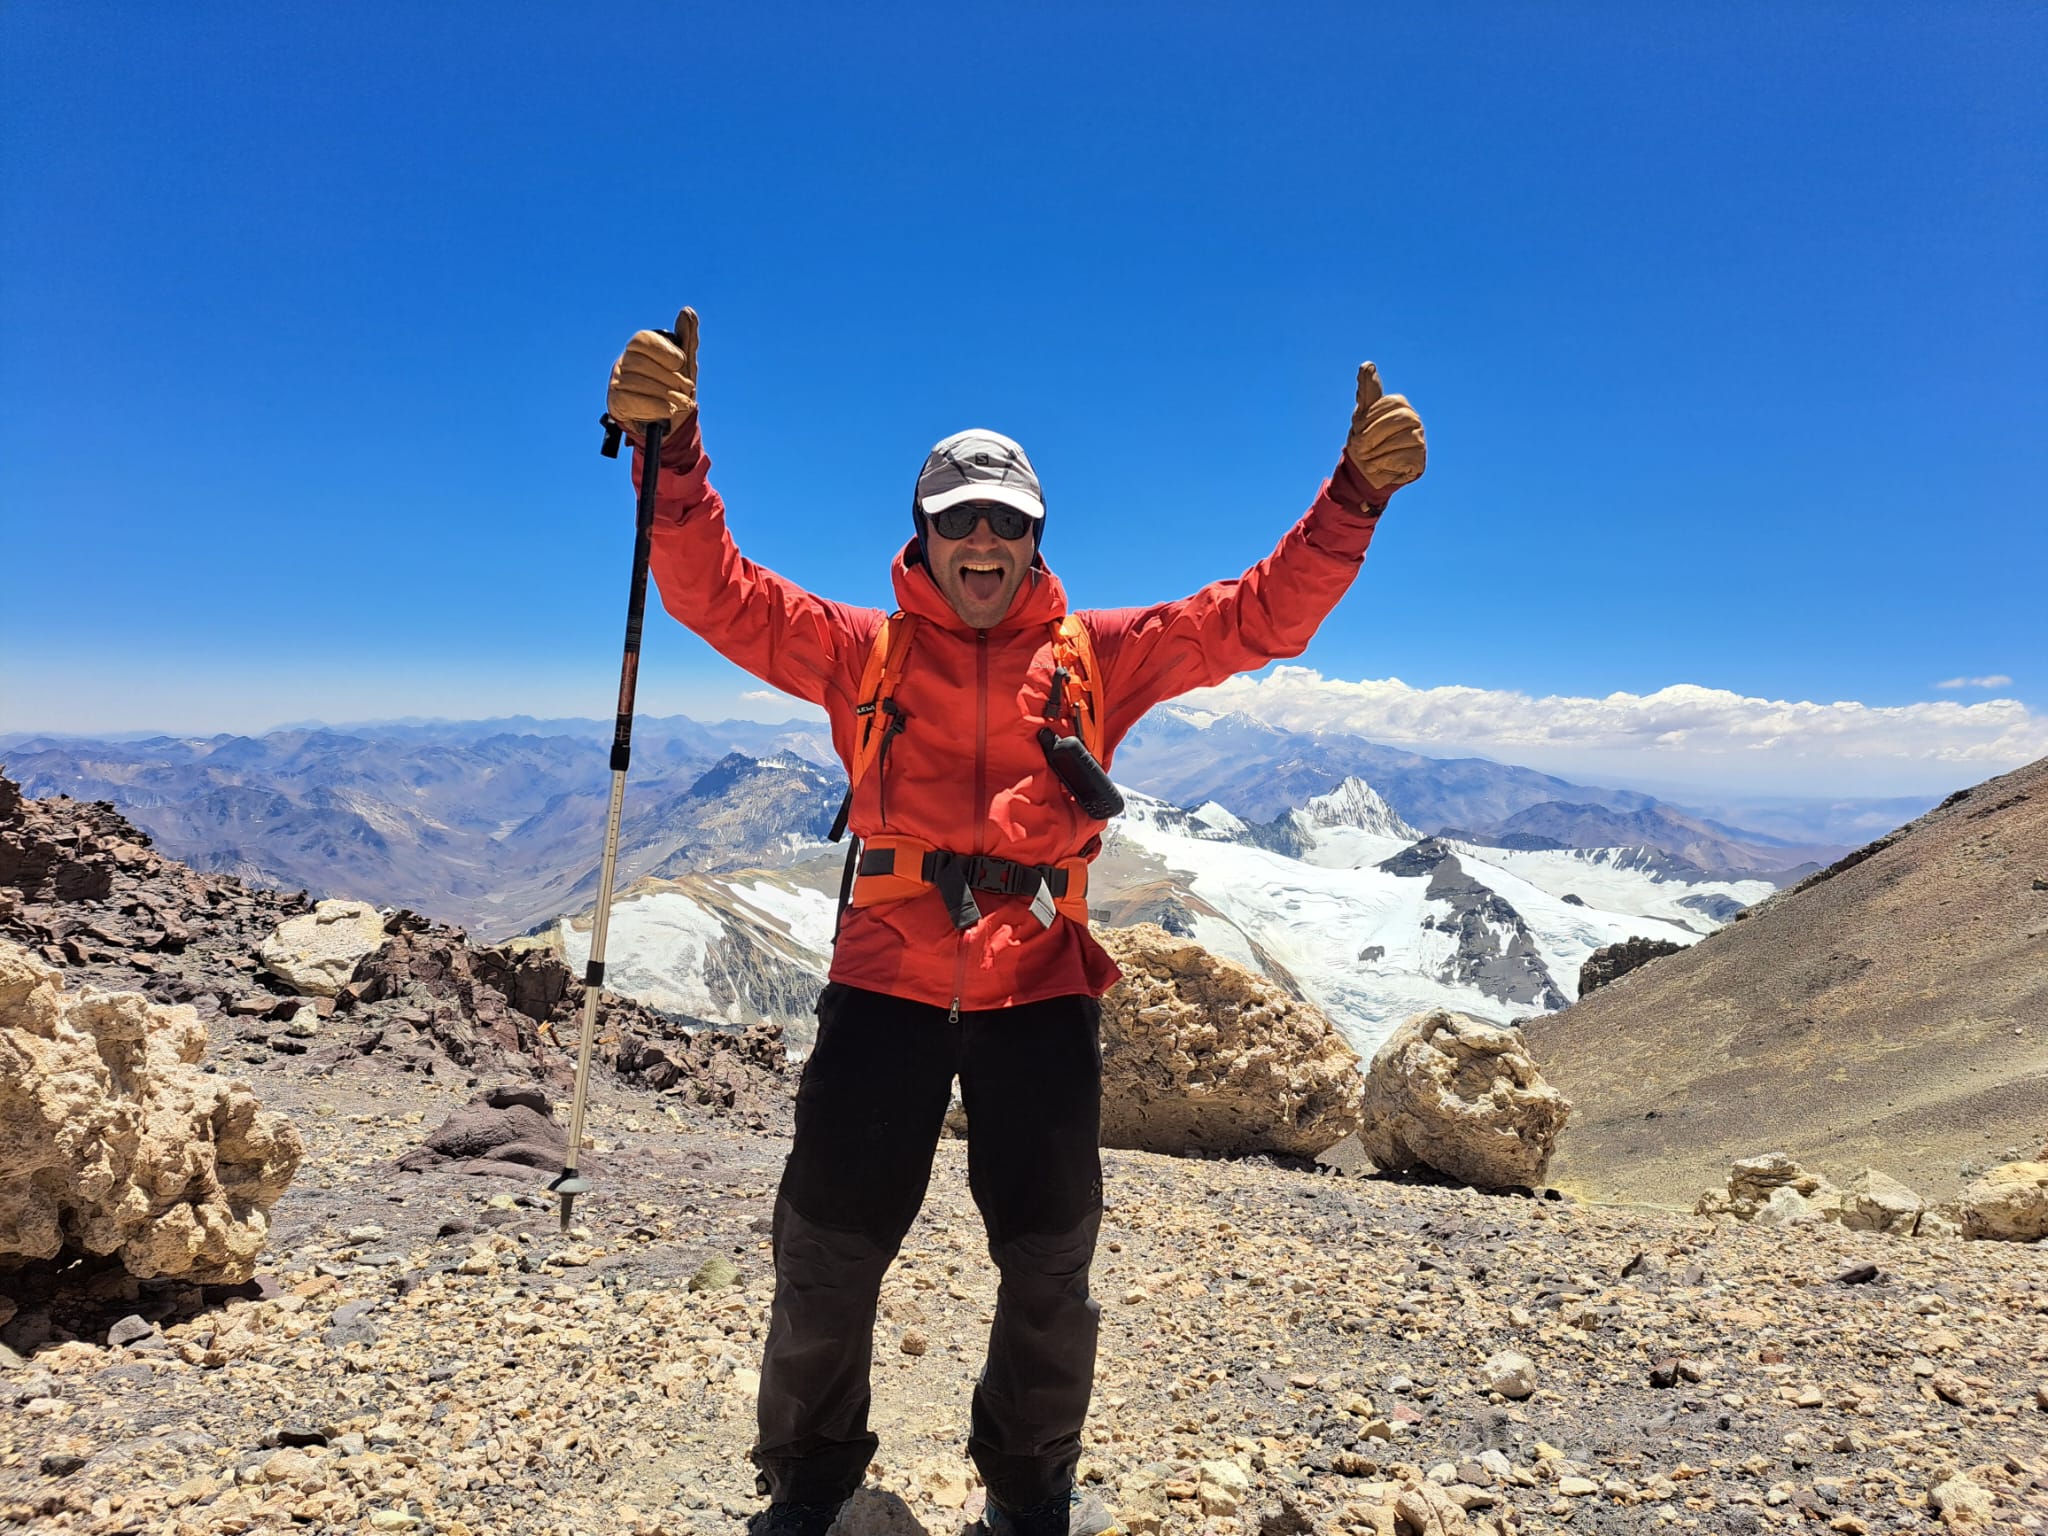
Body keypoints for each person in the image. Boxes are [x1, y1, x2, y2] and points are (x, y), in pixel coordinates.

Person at [605, 309, 1426, 1536]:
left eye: (1005, 519)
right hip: (883, 981)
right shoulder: (859, 650)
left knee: (1048, 1263)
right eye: (957, 519)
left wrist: (1351, 497)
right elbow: (712, 593)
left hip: (1037, 985)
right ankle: (809, 1485)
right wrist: (674, 453)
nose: (981, 541)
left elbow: (1259, 617)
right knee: (827, 1249)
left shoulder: (1101, 655)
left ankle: (1029, 1487)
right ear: (922, 535)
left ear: (1035, 536)